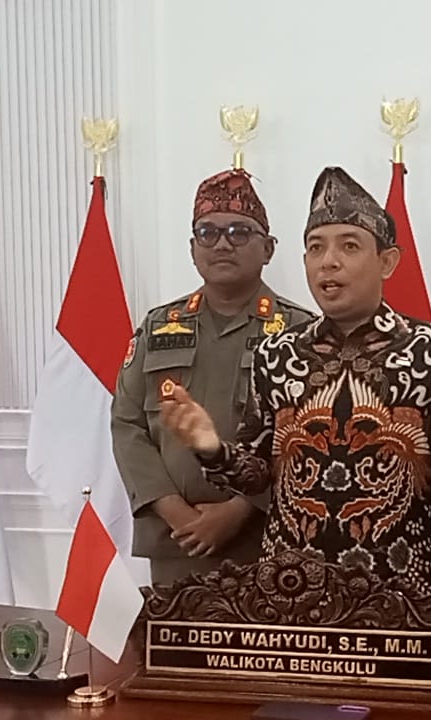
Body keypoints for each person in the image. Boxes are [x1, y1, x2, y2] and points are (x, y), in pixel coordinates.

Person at [159, 166, 431, 596]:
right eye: (315, 248)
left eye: (349, 246)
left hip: (397, 596)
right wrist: (211, 449)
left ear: (387, 262)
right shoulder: (276, 355)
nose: (328, 261)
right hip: (289, 590)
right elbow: (257, 478)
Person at [112, 168, 314, 585]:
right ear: (192, 248)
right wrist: (174, 510)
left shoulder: (301, 334)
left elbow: (310, 439)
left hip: (267, 542)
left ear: (268, 249)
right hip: (177, 542)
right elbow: (127, 425)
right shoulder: (158, 328)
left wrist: (239, 510)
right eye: (207, 232)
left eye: (239, 232)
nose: (222, 243)